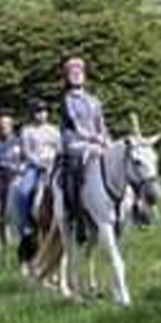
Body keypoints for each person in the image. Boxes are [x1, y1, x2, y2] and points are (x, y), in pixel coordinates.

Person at [58, 57, 111, 227]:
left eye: (79, 72)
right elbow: (76, 126)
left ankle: (134, 205)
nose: (76, 75)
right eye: (72, 73)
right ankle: (75, 210)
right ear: (67, 77)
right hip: (75, 143)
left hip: (96, 141)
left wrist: (106, 140)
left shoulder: (94, 100)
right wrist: (94, 138)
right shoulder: (67, 99)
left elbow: (101, 124)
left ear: (84, 75)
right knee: (74, 167)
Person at [13, 98, 61, 241]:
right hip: (35, 167)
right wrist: (39, 163)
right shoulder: (27, 131)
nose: (42, 114)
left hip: (54, 166)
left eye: (44, 111)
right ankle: (26, 223)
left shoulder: (54, 130)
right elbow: (27, 152)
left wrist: (54, 161)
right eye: (38, 111)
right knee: (23, 191)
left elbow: (60, 149)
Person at [0, 112, 25, 225]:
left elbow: (24, 158)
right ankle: (3, 227)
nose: (3, 127)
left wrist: (21, 170)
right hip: (2, 175)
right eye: (1, 124)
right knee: (2, 201)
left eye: (6, 124)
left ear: (11, 126)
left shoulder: (19, 141)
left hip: (17, 174)